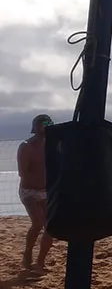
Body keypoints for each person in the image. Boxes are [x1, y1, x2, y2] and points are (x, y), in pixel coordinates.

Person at [17, 114, 55, 270]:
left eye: (50, 123)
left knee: (51, 227)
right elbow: (23, 173)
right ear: (36, 127)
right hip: (29, 191)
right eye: (44, 123)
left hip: (46, 191)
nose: (47, 125)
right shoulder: (26, 146)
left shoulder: (52, 144)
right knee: (38, 223)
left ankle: (40, 261)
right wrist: (39, 180)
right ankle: (28, 253)